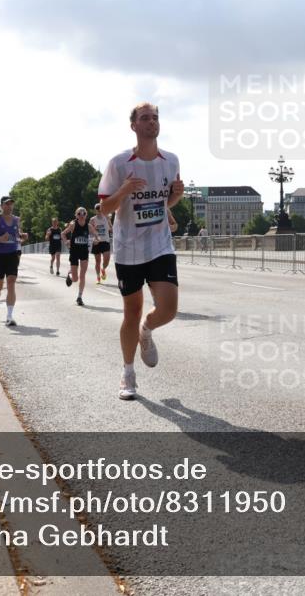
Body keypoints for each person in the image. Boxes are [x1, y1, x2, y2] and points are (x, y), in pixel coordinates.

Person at [97, 102, 183, 400]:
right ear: (133, 125)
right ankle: (128, 373)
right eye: (145, 118)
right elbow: (104, 208)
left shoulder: (171, 161)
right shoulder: (119, 163)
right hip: (128, 247)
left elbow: (162, 204)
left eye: (155, 118)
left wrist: (176, 197)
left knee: (169, 308)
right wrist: (124, 190)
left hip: (160, 244)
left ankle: (147, 330)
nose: (152, 123)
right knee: (131, 311)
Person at [0, 196, 28, 326]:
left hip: (12, 255)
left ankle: (9, 316)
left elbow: (17, 235)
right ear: (1, 206)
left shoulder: (16, 220)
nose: (9, 206)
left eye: (11, 204)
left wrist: (22, 236)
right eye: (6, 204)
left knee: (11, 282)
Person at [62, 207, 98, 305]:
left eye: (84, 213)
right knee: (75, 279)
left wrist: (96, 240)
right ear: (76, 216)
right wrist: (66, 242)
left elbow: (96, 235)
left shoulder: (89, 226)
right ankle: (69, 274)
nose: (82, 215)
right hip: (74, 252)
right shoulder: (73, 225)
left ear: (86, 215)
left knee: (82, 275)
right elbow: (63, 234)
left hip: (84, 252)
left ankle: (79, 297)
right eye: (79, 214)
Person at [91, 203, 112, 284]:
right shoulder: (93, 219)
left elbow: (111, 229)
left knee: (107, 259)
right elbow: (91, 231)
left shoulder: (106, 217)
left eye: (100, 208)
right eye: (97, 208)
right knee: (97, 261)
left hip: (105, 241)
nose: (99, 209)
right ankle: (98, 277)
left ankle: (103, 269)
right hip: (97, 242)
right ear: (95, 210)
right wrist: (94, 238)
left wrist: (109, 221)